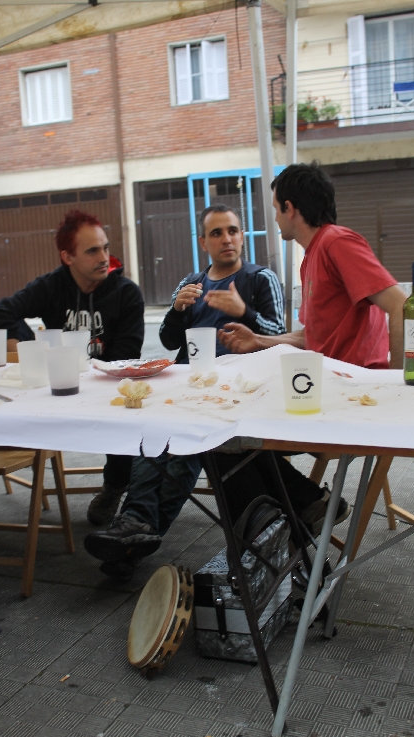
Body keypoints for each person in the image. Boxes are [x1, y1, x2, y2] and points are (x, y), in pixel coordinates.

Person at [84, 203, 347, 581]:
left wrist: (244, 312)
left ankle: (136, 526)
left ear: (242, 236)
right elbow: (169, 340)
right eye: (217, 233)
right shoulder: (191, 282)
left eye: (233, 231)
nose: (227, 239)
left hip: (242, 389)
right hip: (190, 386)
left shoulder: (259, 278)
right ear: (203, 242)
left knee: (185, 450)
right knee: (154, 430)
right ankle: (136, 527)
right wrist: (177, 311)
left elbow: (279, 337)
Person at [0, 209, 144, 525]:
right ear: (68, 256)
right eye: (92, 251)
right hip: (59, 386)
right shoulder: (51, 286)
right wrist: (36, 350)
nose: (104, 257)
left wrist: (91, 373)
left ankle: (115, 486)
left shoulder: (126, 293)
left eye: (105, 247)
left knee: (129, 411)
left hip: (107, 384)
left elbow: (126, 355)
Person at [218, 161, 407, 366]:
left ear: (289, 208)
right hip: (327, 377)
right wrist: (258, 340)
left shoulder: (337, 241)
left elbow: (401, 305)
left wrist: (397, 380)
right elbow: (312, 337)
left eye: (276, 209)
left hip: (357, 380)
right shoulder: (312, 256)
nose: (276, 218)